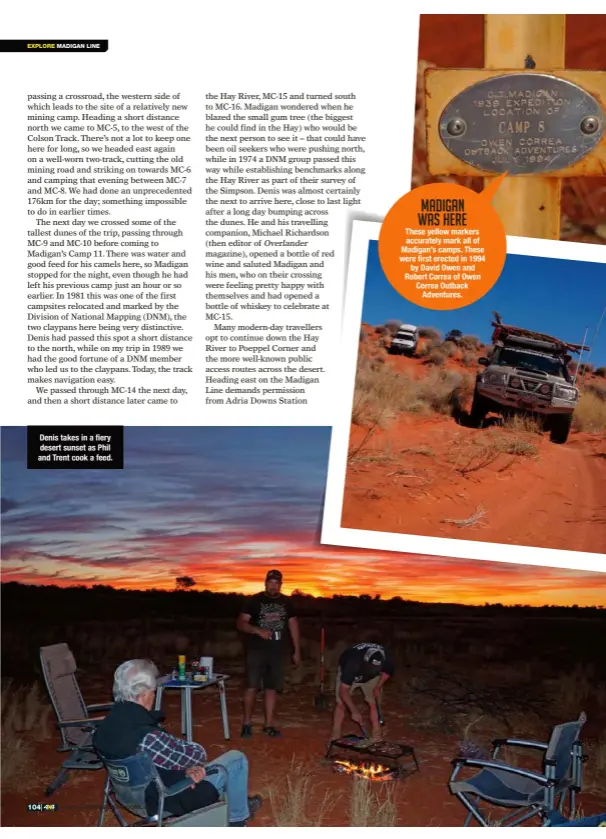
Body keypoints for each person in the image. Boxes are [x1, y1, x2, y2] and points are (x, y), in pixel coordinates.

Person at [93, 659, 262, 827]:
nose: (154, 695)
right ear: (144, 694)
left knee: (196, 770)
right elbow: (197, 755)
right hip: (162, 799)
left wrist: (183, 772)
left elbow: (144, 766)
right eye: (153, 691)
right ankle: (237, 822)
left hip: (129, 796)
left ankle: (234, 806)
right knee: (235, 760)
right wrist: (185, 769)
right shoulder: (148, 736)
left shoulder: (103, 728)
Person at [236, 569, 301, 738]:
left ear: (281, 584)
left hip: (278, 650)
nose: (273, 586)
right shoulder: (255, 600)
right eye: (270, 582)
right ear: (265, 583)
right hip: (257, 649)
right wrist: (257, 630)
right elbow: (241, 623)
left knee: (272, 687)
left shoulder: (287, 602)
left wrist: (296, 650)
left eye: (276, 583)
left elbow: (293, 624)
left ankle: (269, 725)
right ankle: (247, 724)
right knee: (252, 686)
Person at [331, 643, 395, 741]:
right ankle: (336, 735)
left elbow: (387, 673)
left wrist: (378, 687)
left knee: (374, 702)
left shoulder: (387, 659)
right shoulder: (352, 662)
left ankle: (377, 736)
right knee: (341, 704)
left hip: (372, 677)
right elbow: (343, 691)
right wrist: (354, 711)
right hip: (352, 674)